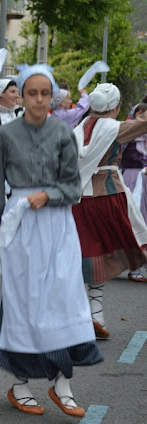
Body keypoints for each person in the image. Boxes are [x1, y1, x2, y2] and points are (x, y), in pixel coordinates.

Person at [0, 64, 102, 418]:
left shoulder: (64, 135)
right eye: (31, 93)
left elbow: (72, 187)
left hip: (58, 226)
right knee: (23, 301)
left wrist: (48, 195)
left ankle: (63, 381)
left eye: (44, 93)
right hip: (19, 227)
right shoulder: (4, 136)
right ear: (21, 94)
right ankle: (20, 384)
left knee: (64, 300)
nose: (38, 99)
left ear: (52, 97)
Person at [72, 83, 147, 340]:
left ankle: (90, 314)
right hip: (108, 195)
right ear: (115, 107)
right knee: (113, 249)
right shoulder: (115, 128)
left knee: (90, 252)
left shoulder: (78, 129)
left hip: (78, 198)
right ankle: (95, 313)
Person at [121, 103, 147, 224]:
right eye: (140, 113)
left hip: (145, 176)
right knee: (132, 205)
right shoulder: (126, 133)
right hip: (131, 175)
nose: (143, 116)